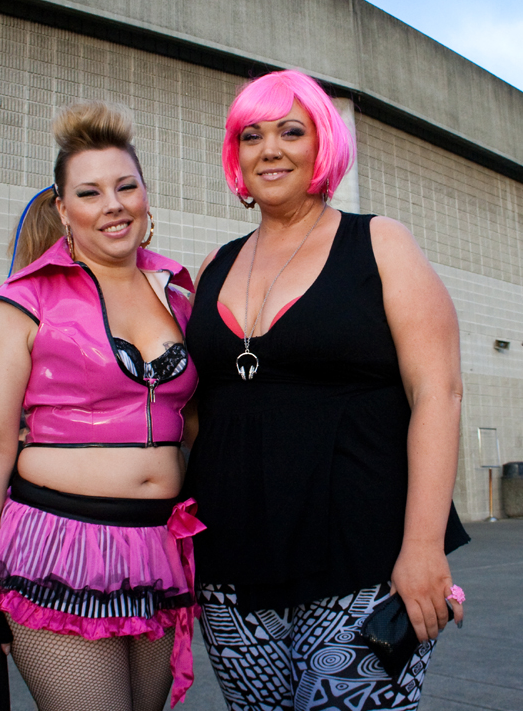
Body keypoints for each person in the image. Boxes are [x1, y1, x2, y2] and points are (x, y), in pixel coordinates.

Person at [182, 70, 470, 711]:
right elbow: (197, 415)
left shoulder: (380, 243)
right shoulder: (215, 265)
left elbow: (439, 392)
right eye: (251, 135)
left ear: (323, 145)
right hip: (232, 566)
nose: (270, 149)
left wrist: (423, 548)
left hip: (365, 559)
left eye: (291, 131)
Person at [0, 101, 204, 711]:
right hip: (58, 544)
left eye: (126, 186)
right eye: (90, 193)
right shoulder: (22, 301)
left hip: (158, 547)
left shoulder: (179, 292)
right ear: (64, 210)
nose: (113, 205)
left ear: (146, 195)